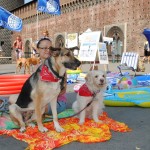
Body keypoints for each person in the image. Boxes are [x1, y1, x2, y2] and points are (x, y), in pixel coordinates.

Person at [36, 37, 67, 114]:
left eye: (50, 48)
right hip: (40, 100)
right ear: (38, 49)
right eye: (44, 48)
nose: (48, 50)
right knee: (14, 99)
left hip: (56, 102)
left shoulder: (59, 65)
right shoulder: (36, 66)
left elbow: (63, 90)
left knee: (39, 107)